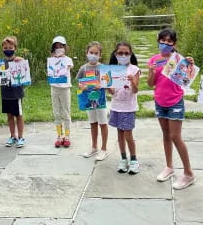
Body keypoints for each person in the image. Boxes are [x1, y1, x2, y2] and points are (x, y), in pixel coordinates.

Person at [147, 28, 195, 189]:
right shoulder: (154, 59)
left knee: (175, 136)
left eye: (169, 41)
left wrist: (190, 66)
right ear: (158, 40)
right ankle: (169, 167)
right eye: (163, 40)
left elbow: (187, 80)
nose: (165, 44)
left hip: (175, 102)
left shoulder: (179, 59)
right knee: (166, 135)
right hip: (159, 101)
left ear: (174, 43)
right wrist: (151, 72)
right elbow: (150, 84)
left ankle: (188, 173)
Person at [107, 41, 140, 174]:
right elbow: (111, 92)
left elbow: (136, 90)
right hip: (116, 106)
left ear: (130, 54)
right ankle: (123, 158)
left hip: (128, 108)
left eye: (126, 53)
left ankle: (133, 160)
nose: (123, 55)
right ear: (115, 54)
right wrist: (107, 84)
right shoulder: (112, 70)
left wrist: (132, 80)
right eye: (120, 53)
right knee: (119, 133)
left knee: (128, 134)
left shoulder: (134, 69)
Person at [77, 41, 108, 161]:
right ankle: (94, 147)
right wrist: (82, 87)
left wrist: (102, 85)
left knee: (103, 123)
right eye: (91, 52)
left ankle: (104, 149)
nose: (93, 55)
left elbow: (107, 83)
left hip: (100, 101)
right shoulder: (83, 68)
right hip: (89, 100)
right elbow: (79, 83)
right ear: (87, 53)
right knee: (93, 123)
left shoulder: (103, 68)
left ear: (100, 54)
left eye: (96, 53)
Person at [1, 36, 26, 148]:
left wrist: (20, 59)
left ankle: (21, 137)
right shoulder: (1, 62)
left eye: (10, 47)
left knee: (18, 116)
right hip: (5, 94)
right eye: (5, 47)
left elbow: (25, 69)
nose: (8, 49)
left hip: (16, 94)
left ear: (15, 48)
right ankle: (13, 136)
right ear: (2, 49)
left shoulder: (18, 60)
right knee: (9, 116)